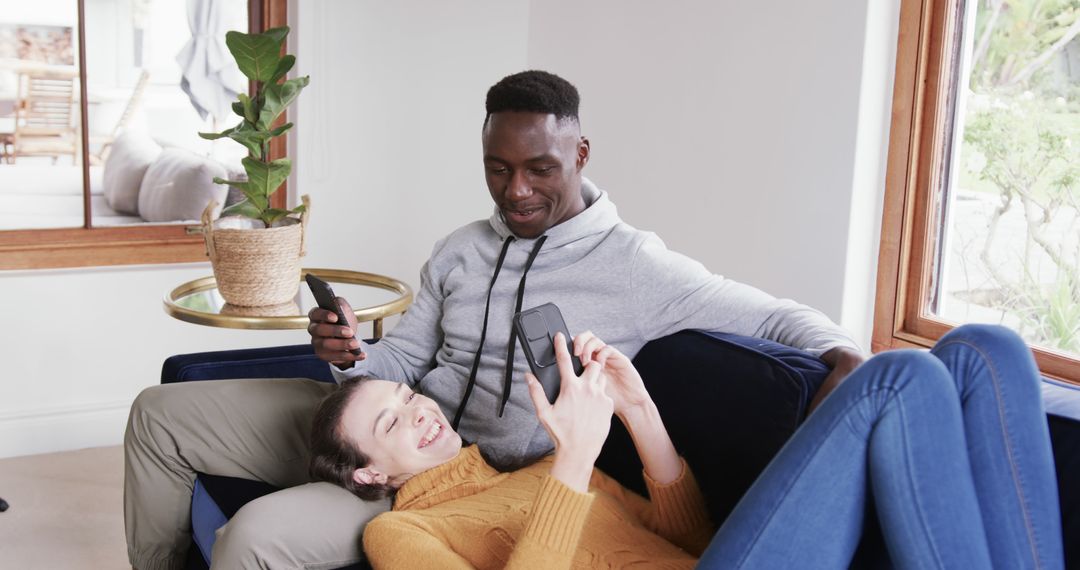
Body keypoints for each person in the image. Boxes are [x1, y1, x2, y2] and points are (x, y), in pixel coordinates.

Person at [124, 70, 864, 570]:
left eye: (540, 168)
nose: (515, 191)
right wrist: (351, 356)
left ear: (580, 153)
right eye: (497, 168)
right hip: (397, 424)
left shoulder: (636, 267)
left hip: (460, 481)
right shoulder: (460, 250)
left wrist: (845, 359)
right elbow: (402, 362)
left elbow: (780, 319)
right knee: (159, 416)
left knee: (254, 537)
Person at [312, 324, 1063, 570]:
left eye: (408, 397)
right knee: (896, 378)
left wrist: (639, 413)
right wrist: (575, 459)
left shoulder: (541, 465)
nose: (418, 415)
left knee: (985, 350)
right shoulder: (397, 531)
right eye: (390, 425)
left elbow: (696, 539)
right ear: (372, 472)